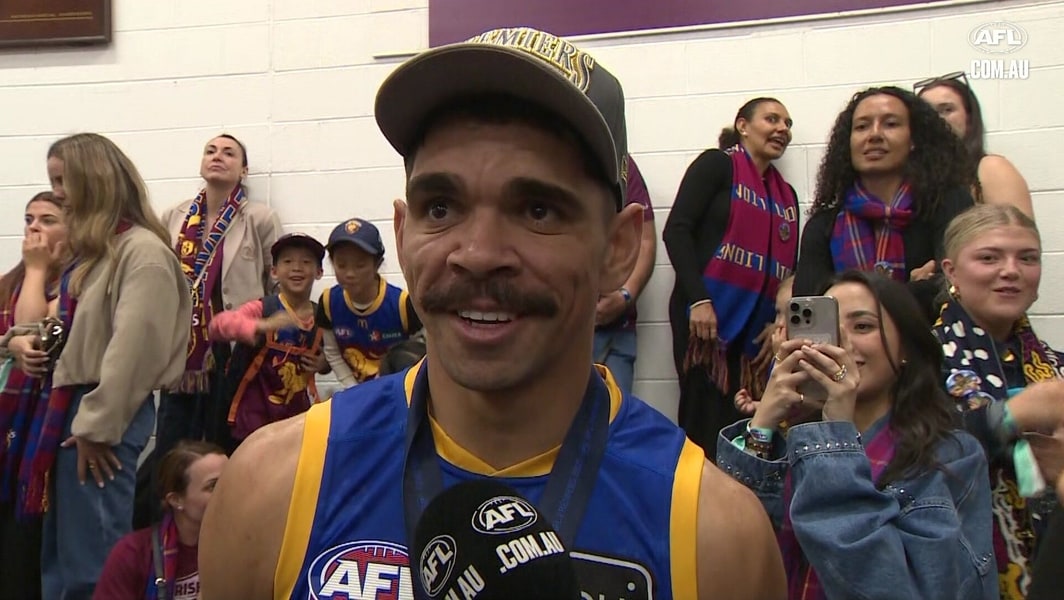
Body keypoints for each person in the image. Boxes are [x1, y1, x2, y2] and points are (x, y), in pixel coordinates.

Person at [200, 26, 786, 600]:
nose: (478, 254)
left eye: (537, 210)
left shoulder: (717, 538)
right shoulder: (269, 488)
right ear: (402, 234)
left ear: (618, 249)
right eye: (440, 207)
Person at [718, 270, 997, 600]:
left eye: (862, 326)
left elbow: (902, 587)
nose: (843, 344)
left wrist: (836, 436)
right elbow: (731, 553)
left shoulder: (952, 455)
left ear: (905, 348)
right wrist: (763, 423)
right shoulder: (795, 443)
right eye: (831, 327)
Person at [6, 133, 191, 599]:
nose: (58, 194)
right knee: (62, 563)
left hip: (101, 415)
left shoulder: (141, 252)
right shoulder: (96, 255)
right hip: (76, 411)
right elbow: (78, 334)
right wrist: (21, 342)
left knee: (94, 565)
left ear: (94, 179)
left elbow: (134, 351)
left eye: (62, 181)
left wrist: (97, 426)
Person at [933, 203, 1064, 599]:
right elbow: (905, 454)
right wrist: (1006, 418)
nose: (1011, 270)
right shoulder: (915, 360)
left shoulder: (1055, 367)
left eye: (1028, 258)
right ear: (951, 271)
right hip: (959, 571)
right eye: (989, 258)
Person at [663, 97, 800, 455]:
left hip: (756, 332)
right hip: (704, 321)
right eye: (772, 119)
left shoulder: (786, 197)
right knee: (703, 418)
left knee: (745, 419)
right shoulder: (716, 165)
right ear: (743, 126)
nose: (782, 129)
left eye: (787, 124)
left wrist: (779, 321)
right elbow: (676, 231)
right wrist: (699, 299)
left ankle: (741, 488)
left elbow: (789, 270)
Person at [793, 86, 975, 318]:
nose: (874, 135)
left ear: (913, 140)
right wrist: (914, 291)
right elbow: (809, 316)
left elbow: (961, 287)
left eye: (890, 124)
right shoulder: (823, 225)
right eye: (862, 127)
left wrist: (846, 301)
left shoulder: (948, 203)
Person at [157, 134, 283, 457]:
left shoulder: (259, 218)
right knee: (172, 443)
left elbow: (276, 284)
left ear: (244, 170)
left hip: (234, 349)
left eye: (229, 153)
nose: (217, 156)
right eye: (210, 151)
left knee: (223, 442)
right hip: (182, 349)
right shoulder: (174, 216)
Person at [0, 191, 68, 600]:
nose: (34, 228)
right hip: (5, 418)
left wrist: (37, 269)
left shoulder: (75, 283)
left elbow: (33, 329)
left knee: (25, 543)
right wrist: (9, 345)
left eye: (47, 220)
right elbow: (15, 338)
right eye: (29, 219)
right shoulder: (8, 282)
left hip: (44, 426)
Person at [209, 233, 325, 443]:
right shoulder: (263, 308)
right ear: (274, 271)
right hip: (251, 422)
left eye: (306, 262)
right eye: (287, 261)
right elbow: (218, 325)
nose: (296, 268)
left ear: (319, 272)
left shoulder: (322, 317)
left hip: (296, 421)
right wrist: (261, 325)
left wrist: (323, 364)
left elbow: (336, 354)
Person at [93, 441, 228, 600]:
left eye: (230, 480)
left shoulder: (242, 545)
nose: (228, 491)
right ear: (176, 500)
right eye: (213, 486)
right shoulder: (133, 554)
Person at [316, 217, 421, 387]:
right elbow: (332, 353)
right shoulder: (328, 302)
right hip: (355, 389)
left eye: (360, 265)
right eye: (341, 265)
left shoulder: (403, 304)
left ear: (377, 264)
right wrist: (354, 390)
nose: (350, 273)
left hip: (398, 388)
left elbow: (422, 355)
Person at [915, 71, 1034, 218]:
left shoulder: (991, 168)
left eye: (947, 110)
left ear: (970, 118)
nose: (936, 119)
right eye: (927, 113)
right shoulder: (915, 178)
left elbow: (1018, 231)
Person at [592, 154, 656, 394]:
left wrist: (625, 295)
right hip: (556, 329)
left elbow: (645, 240)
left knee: (615, 414)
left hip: (615, 326)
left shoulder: (620, 161)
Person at [733, 274, 794, 417]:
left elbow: (797, 404)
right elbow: (779, 401)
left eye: (791, 314)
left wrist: (781, 358)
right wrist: (758, 406)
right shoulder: (778, 351)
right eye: (778, 313)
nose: (779, 323)